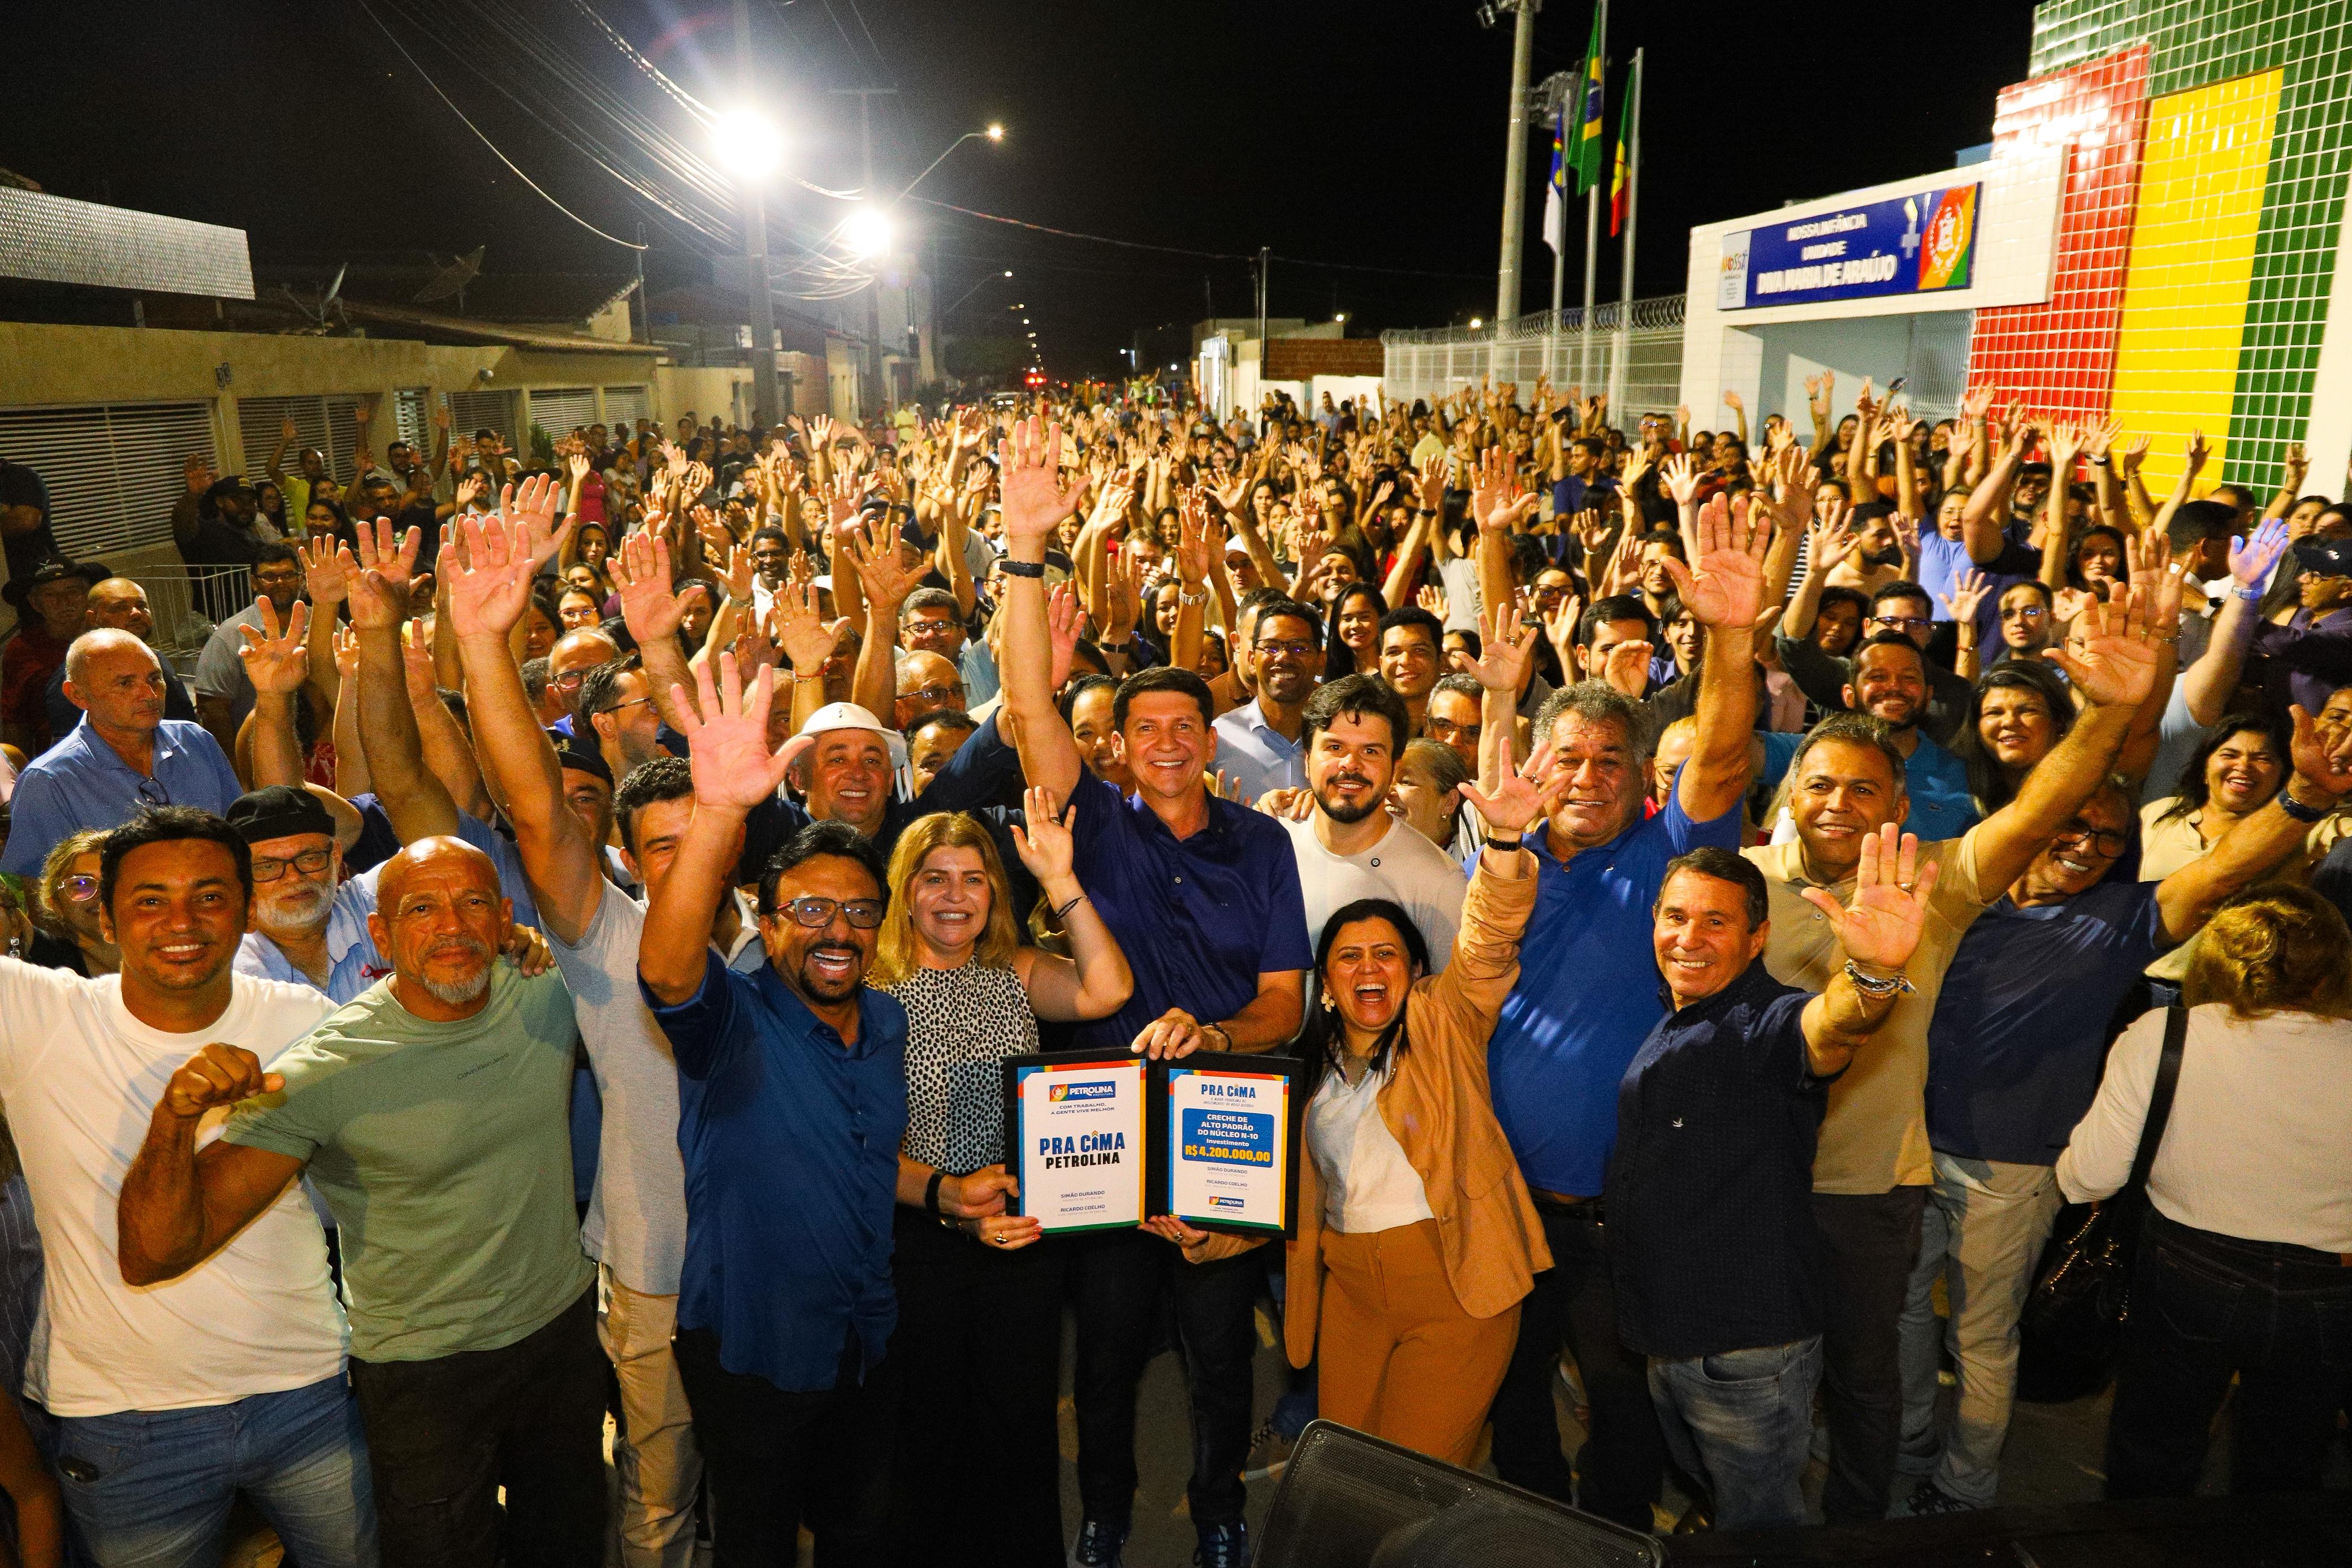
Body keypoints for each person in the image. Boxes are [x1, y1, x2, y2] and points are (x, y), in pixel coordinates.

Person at [1740, 589, 2163, 1524]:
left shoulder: (1937, 876)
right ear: (1790, 793)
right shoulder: (1743, 881)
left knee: (1867, 1372)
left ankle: (1862, 1516)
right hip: (1759, 1174)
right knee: (1766, 1358)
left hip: (1871, 1185)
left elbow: (2041, 810)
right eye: (1820, 784)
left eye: (1864, 787)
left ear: (1900, 798)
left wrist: (2104, 717)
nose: (1840, 803)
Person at [1897, 700, 2352, 1515]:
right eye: (2071, 823)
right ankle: (1907, 1448)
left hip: (2007, 1167)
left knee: (1980, 1338)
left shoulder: (2117, 921)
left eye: (2107, 837)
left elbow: (2215, 873)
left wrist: (2304, 799)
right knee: (1899, 1321)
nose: (2085, 845)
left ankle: (1964, 1489)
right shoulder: (1957, 895)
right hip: (1900, 1150)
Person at [995, 418, 1309, 1568]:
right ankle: (1108, 1509)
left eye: (1188, 726)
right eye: (1147, 729)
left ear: (1210, 746)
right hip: (1101, 1127)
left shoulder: (1263, 850)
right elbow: (1032, 705)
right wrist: (1027, 551)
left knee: (1224, 1346)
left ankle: (1220, 1506)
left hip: (1227, 1125)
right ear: (1117, 749)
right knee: (1112, 1347)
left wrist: (1217, 1027)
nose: (1169, 742)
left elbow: (1286, 1004)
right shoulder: (1094, 822)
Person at [120, 832, 604, 1568]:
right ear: (380, 932)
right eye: (421, 908)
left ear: (503, 917)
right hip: (424, 1370)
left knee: (567, 1543)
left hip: (560, 1335)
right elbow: (153, 1252)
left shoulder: (547, 992)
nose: (451, 925)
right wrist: (172, 1121)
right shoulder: (329, 1067)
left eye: (473, 903)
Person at [441, 503, 766, 1568]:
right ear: (626, 858)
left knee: (774, 1493)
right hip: (658, 1273)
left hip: (778, 1269)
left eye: (703, 836)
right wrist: (485, 641)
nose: (684, 864)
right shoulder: (603, 934)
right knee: (661, 1500)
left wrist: (678, 648)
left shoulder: (804, 940)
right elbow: (536, 809)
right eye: (657, 848)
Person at [1484, 491, 1767, 1531]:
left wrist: (1731, 634)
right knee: (1511, 1389)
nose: (1590, 777)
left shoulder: (1672, 851)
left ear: (1648, 777)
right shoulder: (1499, 859)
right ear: (1537, 770)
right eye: (1571, 758)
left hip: (1622, 1215)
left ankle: (1608, 1538)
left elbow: (1729, 752)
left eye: (1614, 760)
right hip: (1507, 1201)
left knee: (1619, 1396)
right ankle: (1525, 1530)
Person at [2, 808, 373, 1566]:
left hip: (306, 1388)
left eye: (209, 897)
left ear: (245, 910)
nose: (182, 921)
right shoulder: (36, 1014)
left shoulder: (305, 1018)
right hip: (122, 1415)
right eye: (149, 899)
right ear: (102, 915)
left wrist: (521, 951)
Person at [636, 661, 909, 1562]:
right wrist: (717, 815)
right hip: (751, 1353)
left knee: (861, 1534)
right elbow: (668, 970)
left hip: (864, 1340)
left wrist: (944, 1195)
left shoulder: (892, 1019)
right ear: (766, 913)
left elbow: (863, 1153)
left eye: (860, 911)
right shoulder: (730, 1019)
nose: (839, 930)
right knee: (754, 1544)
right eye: (813, 909)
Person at [1614, 834, 1936, 1530]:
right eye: (1675, 916)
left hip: (1742, 1356)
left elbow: (1830, 1027)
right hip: (1670, 1336)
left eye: (1716, 921)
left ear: (1757, 937)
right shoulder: (1679, 1011)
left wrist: (1873, 973)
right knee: (1720, 1501)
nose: (1688, 937)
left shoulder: (1769, 1019)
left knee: (1760, 1527)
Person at [1282, 732, 1560, 1466]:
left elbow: (1490, 940)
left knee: (1415, 1481)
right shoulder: (1309, 1074)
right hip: (1350, 1299)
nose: (1369, 969)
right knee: (1345, 1476)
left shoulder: (1445, 1022)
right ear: (1328, 986)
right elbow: (1278, 1200)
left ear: (1413, 970)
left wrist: (1503, 840)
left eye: (1387, 954)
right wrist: (1200, 1231)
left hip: (1456, 1290)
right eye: (1349, 956)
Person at [872, 802, 1133, 1565]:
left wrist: (1060, 877)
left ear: (994, 893)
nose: (955, 896)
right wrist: (949, 1199)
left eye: (974, 880)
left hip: (1020, 1236)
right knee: (926, 1435)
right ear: (905, 889)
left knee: (1018, 1435)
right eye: (935, 879)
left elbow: (1107, 991)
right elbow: (857, 1139)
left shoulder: (1014, 970)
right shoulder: (873, 984)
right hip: (915, 1229)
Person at [2058, 885, 2352, 1500]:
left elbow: (2087, 1176)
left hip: (2185, 1271)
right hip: (2329, 1289)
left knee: (2153, 1456)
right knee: (2287, 1470)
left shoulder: (2165, 1033)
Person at [0, 629, 245, 877]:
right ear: (77, 695)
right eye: (125, 683)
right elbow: (38, 890)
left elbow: (240, 835)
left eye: (154, 678)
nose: (149, 695)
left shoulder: (195, 741)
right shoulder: (48, 780)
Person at [1282, 675, 1467, 967]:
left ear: (1394, 768)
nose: (1350, 764)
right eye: (1334, 748)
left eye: (1370, 751)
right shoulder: (1273, 846)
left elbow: (1448, 1005)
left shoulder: (1438, 882)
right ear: (1306, 760)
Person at [40, 577, 201, 749]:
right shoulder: (80, 673)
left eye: (141, 606)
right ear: (93, 618)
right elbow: (74, 751)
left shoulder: (156, 657)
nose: (136, 613)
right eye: (119, 608)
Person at [192, 547, 308, 756]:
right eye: (270, 577)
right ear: (254, 582)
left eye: (289, 575)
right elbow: (212, 708)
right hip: (258, 753)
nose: (280, 582)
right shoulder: (232, 634)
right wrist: (236, 772)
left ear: (301, 579)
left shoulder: (324, 623)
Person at [1209, 598, 1321, 804]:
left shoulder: (1341, 738)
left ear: (1321, 660)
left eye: (1299, 648)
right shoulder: (1220, 736)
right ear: (1252, 660)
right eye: (1271, 647)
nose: (1284, 657)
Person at [1, 557, 103, 757]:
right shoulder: (21, 650)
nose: (63, 602)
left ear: (88, 595)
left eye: (72, 592)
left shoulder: (110, 637)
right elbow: (15, 719)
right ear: (35, 603)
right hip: (57, 759)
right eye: (50, 595)